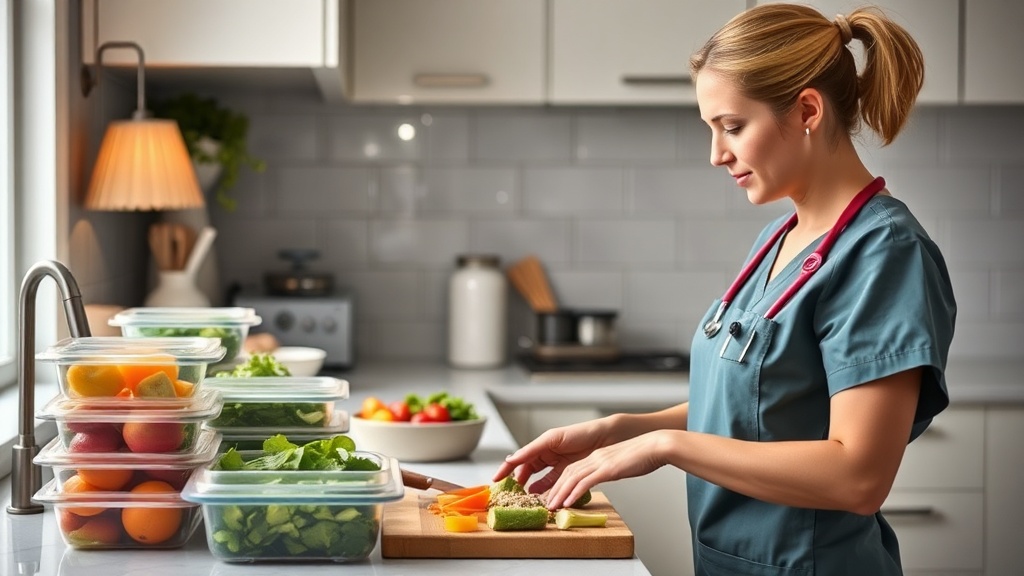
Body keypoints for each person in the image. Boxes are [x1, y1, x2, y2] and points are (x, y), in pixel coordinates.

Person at [493, 4, 956, 575]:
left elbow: (857, 475)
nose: (717, 154)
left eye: (732, 127)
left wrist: (666, 448)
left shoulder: (885, 253)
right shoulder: (778, 238)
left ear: (807, 110)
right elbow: (760, 407)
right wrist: (623, 430)